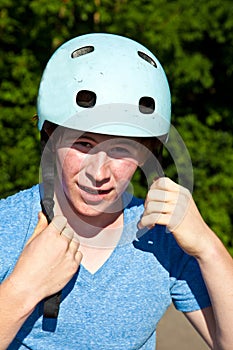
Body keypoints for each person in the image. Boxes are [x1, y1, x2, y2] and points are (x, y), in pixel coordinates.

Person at [0, 33, 232, 350]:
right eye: (83, 143)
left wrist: (209, 247)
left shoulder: (162, 238)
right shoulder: (8, 227)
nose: (99, 173)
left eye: (121, 148)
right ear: (51, 137)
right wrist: (22, 288)